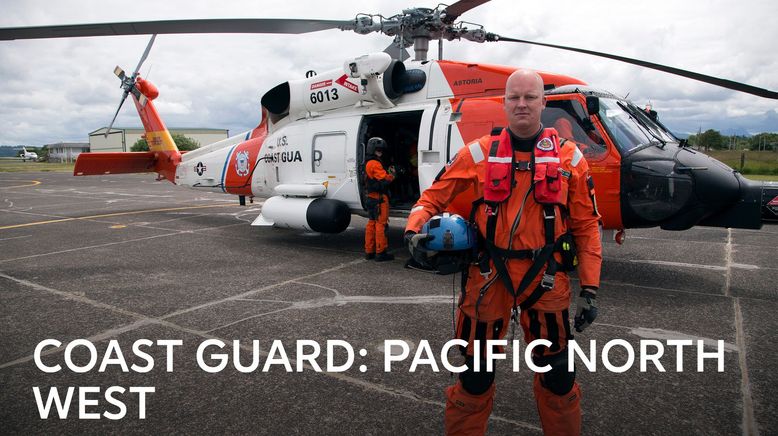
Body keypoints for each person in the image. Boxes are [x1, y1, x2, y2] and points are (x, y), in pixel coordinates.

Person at [404, 69, 602, 435]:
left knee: (558, 374)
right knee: (475, 376)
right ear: (504, 103)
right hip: (487, 278)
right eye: (514, 98)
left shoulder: (570, 159)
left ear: (544, 103)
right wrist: (414, 231)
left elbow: (588, 227)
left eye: (530, 97)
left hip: (545, 280)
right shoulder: (478, 153)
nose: (522, 104)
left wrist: (590, 289)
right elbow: (432, 197)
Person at [364, 137, 396, 262]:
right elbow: (383, 180)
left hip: (370, 199)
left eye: (381, 150)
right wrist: (392, 175)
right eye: (378, 150)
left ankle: (369, 251)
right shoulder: (375, 163)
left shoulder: (367, 163)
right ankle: (380, 252)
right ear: (372, 150)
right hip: (379, 199)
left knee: (371, 223)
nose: (380, 152)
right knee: (381, 225)